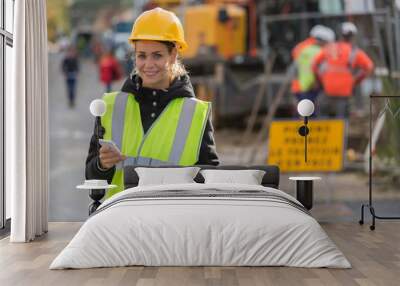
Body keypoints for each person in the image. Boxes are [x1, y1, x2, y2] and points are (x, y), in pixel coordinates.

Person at [85, 7, 219, 198]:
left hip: (172, 222)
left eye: (157, 55)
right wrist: (102, 165)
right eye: (142, 56)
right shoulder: (111, 107)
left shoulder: (194, 113)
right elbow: (91, 178)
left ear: (173, 55)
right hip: (120, 220)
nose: (148, 64)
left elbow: (210, 181)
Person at [312, 22, 374, 118]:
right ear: (353, 36)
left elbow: (314, 65)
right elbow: (369, 67)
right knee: (341, 119)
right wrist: (356, 80)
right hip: (344, 90)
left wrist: (320, 80)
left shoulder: (329, 48)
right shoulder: (355, 52)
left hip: (328, 88)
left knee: (322, 113)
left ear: (339, 34)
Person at [291, 25, 335, 114]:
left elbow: (295, 68)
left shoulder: (302, 48)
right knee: (311, 113)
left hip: (301, 85)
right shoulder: (318, 51)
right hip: (312, 85)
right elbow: (321, 69)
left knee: (303, 113)